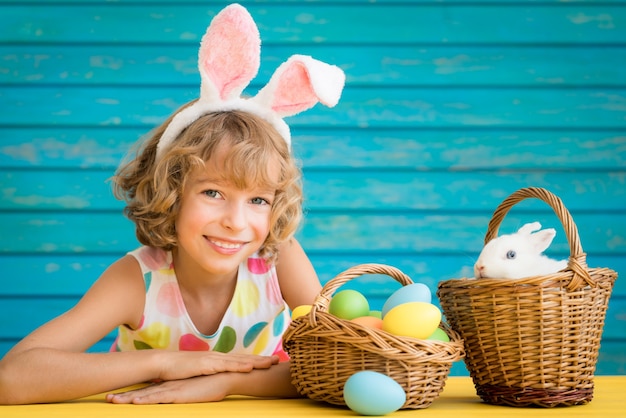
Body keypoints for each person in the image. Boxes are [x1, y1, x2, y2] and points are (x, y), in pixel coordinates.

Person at [0, 3, 344, 405]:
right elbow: (12, 379)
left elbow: (340, 363)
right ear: (171, 191)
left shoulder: (277, 259)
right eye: (213, 193)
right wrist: (164, 363)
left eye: (257, 199)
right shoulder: (136, 280)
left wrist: (227, 381)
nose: (236, 221)